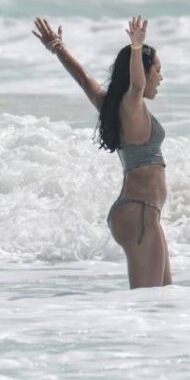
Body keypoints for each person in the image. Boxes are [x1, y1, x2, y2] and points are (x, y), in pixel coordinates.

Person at [32, 16, 170, 288]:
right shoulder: (132, 106)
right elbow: (137, 86)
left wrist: (57, 45)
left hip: (143, 213)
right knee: (149, 305)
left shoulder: (109, 105)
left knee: (164, 299)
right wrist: (136, 47)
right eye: (158, 70)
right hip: (139, 213)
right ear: (142, 71)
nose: (161, 77)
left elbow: (83, 78)